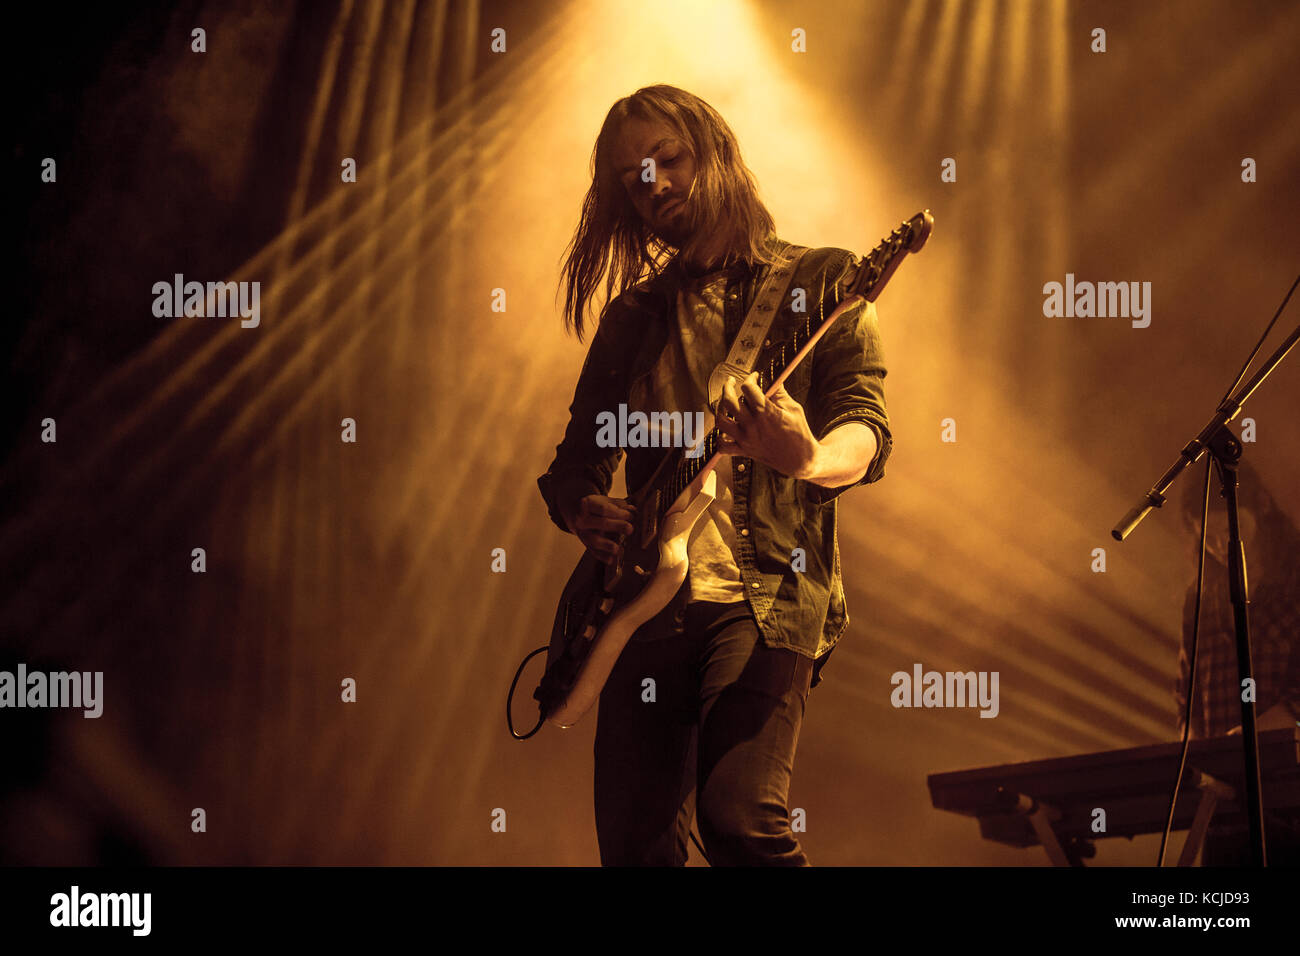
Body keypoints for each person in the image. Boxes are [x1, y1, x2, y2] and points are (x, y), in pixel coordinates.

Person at [537, 85, 892, 865]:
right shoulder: (633, 316)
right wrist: (584, 508)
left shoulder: (824, 282)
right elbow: (576, 461)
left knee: (740, 825)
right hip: (641, 608)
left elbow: (865, 429)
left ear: (717, 151)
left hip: (762, 602)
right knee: (636, 850)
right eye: (634, 175)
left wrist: (806, 459)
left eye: (669, 158)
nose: (654, 183)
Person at [1173, 456, 1300, 865]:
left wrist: (1250, 738)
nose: (1220, 544)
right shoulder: (1199, 599)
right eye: (1208, 537)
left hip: (1290, 791)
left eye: (1229, 529)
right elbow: (1186, 697)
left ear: (1260, 506)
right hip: (1223, 801)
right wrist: (1198, 754)